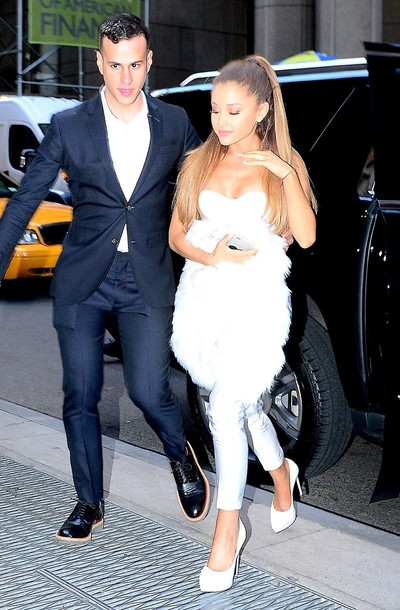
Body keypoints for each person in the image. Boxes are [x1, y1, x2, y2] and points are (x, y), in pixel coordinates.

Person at [0, 12, 210, 542]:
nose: (124, 77)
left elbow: (201, 194)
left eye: (134, 65)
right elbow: (26, 197)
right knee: (82, 392)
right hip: (84, 280)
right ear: (99, 62)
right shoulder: (70, 126)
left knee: (147, 389)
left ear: (149, 62)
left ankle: (179, 452)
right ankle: (88, 502)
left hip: (146, 277)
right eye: (114, 64)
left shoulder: (174, 125)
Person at [169, 55, 317, 592]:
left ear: (260, 109)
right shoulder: (201, 162)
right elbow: (178, 235)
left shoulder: (285, 161)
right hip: (206, 297)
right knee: (243, 406)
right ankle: (282, 474)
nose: (222, 121)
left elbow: (306, 238)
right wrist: (215, 259)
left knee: (228, 408)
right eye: (215, 110)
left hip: (257, 302)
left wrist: (284, 174)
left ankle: (226, 533)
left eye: (233, 110)